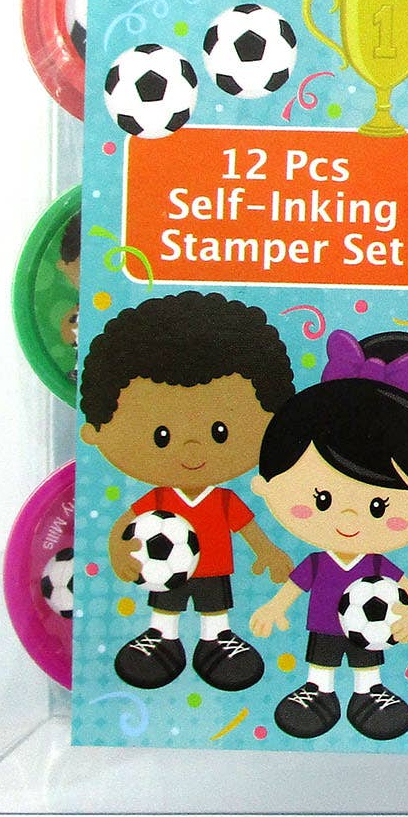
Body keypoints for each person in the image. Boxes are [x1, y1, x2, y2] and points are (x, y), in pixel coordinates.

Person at [248, 330, 408, 740]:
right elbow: (295, 586)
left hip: (369, 630)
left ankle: (369, 693)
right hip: (323, 624)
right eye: (321, 499)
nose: (349, 517)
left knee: (366, 663)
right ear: (267, 484)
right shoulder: (318, 562)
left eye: (378, 507)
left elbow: (407, 590)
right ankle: (317, 692)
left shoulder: (376, 565)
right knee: (321, 664)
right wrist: (274, 607)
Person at [78, 292, 297, 691]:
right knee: (167, 607)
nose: (193, 451)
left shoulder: (223, 500)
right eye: (161, 436)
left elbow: (247, 529)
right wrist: (117, 549)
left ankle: (218, 641)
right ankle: (161, 638)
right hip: (166, 573)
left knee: (215, 611)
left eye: (219, 432)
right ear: (95, 431)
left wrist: (268, 552)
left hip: (214, 569)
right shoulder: (159, 500)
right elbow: (126, 524)